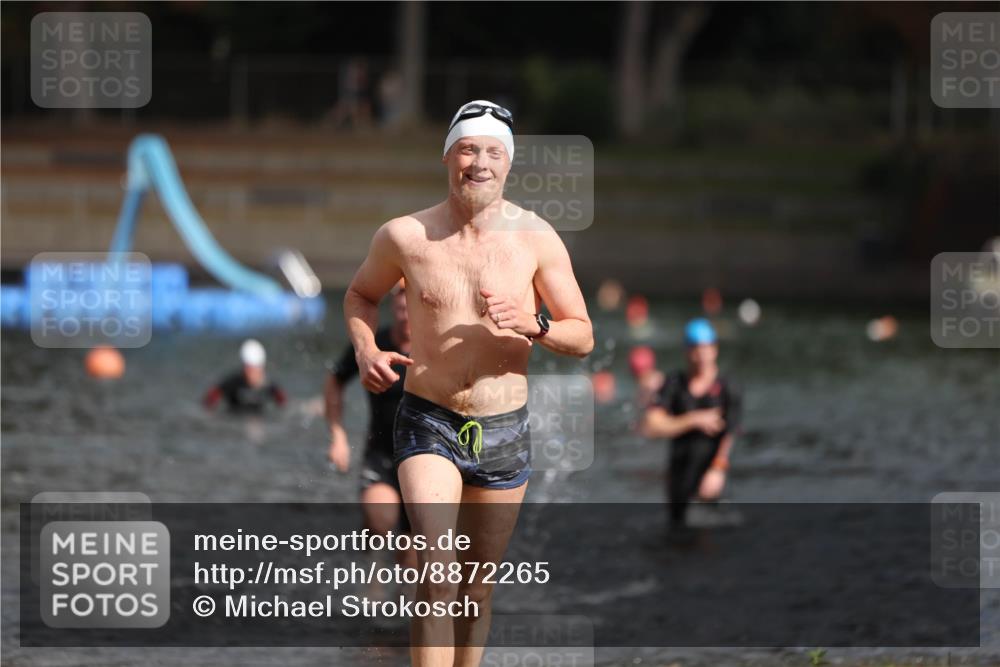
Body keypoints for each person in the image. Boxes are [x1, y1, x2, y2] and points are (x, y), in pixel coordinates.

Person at [343, 99, 593, 665]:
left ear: (509, 163)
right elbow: (360, 294)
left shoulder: (536, 238)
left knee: (476, 591)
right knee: (436, 574)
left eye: (493, 152)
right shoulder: (406, 236)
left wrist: (533, 323)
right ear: (447, 157)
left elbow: (582, 336)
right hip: (428, 419)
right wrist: (365, 349)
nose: (479, 163)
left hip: (503, 430)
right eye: (467, 149)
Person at [326, 280, 412, 543]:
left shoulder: (433, 349)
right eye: (401, 307)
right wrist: (338, 435)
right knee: (381, 521)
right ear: (393, 305)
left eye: (411, 308)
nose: (405, 314)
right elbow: (335, 380)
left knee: (412, 555)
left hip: (424, 458)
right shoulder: (375, 345)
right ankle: (368, 561)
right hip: (380, 455)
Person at [640, 319, 741, 529]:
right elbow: (652, 425)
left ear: (715, 349)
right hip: (680, 470)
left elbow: (731, 430)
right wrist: (694, 419)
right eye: (696, 349)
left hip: (712, 471)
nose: (702, 355)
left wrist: (718, 468)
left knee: (713, 532)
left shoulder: (727, 386)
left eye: (706, 348)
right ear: (687, 351)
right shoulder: (675, 383)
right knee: (676, 531)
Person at [203, 339, 286, 414]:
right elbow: (210, 398)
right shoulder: (233, 382)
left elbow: (284, 404)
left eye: (255, 369)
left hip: (260, 421)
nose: (252, 373)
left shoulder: (268, 385)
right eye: (249, 369)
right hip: (235, 421)